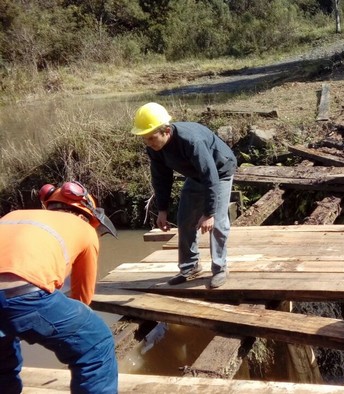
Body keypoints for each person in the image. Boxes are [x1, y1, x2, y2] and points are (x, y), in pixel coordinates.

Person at [0, 181, 119, 393]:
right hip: (23, 294)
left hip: (14, 293)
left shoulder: (13, 215)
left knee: (2, 353)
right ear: (85, 213)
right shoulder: (85, 229)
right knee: (96, 342)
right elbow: (82, 296)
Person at [130, 102, 237, 288]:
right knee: (185, 218)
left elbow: (209, 175)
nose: (148, 143)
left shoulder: (191, 141)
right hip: (195, 175)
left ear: (166, 131)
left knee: (218, 222)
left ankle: (220, 268)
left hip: (219, 172)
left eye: (151, 138)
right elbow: (161, 178)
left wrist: (209, 213)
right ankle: (190, 267)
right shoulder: (154, 148)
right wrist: (162, 210)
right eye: (145, 139)